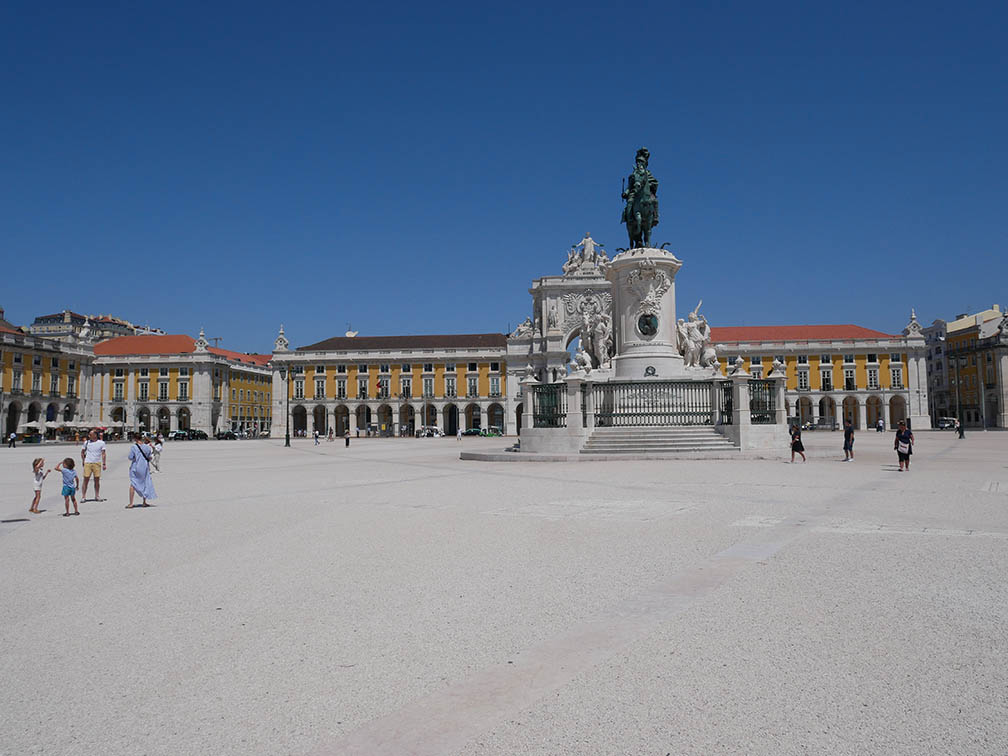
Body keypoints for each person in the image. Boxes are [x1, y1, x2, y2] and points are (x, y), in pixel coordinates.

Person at [126, 434, 157, 508]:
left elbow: (130, 457)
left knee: (133, 484)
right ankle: (144, 502)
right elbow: (149, 456)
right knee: (145, 483)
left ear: (135, 439)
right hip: (145, 467)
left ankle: (131, 503)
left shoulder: (134, 447)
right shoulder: (147, 447)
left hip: (136, 467)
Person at [79, 429, 107, 502]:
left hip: (97, 462)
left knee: (97, 480)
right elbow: (82, 452)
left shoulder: (101, 443)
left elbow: (103, 454)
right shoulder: (86, 443)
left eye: (90, 434)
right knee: (86, 479)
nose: (89, 436)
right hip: (88, 462)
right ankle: (83, 496)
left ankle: (97, 495)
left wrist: (104, 464)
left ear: (95, 435)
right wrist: (83, 461)